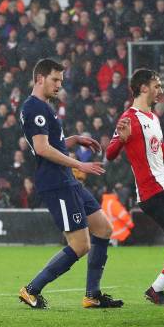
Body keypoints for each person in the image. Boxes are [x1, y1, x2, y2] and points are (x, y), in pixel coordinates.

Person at [18, 58, 123, 309]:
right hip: (57, 183)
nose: (58, 85)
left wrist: (74, 139)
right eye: (55, 80)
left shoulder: (45, 106)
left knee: (104, 229)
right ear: (39, 78)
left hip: (67, 181)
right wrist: (79, 165)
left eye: (61, 81)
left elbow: (51, 142)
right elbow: (42, 148)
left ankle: (92, 295)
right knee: (80, 244)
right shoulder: (34, 108)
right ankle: (31, 289)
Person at [106, 68, 164, 305]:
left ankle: (158, 290)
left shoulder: (153, 118)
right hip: (153, 192)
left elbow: (162, 150)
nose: (161, 90)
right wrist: (122, 139)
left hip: (163, 189)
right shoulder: (129, 118)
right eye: (157, 85)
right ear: (143, 87)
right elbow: (110, 153)